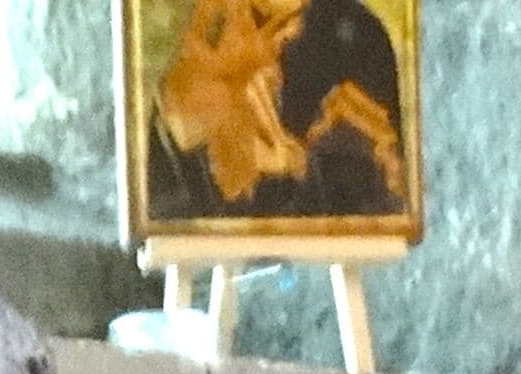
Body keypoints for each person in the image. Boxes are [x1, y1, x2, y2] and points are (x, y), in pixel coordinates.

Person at [149, 0, 405, 222]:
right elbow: (166, 185)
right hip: (201, 225)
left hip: (324, 221)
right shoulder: (207, 22)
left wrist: (292, 165)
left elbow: (378, 193)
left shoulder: (355, 35)